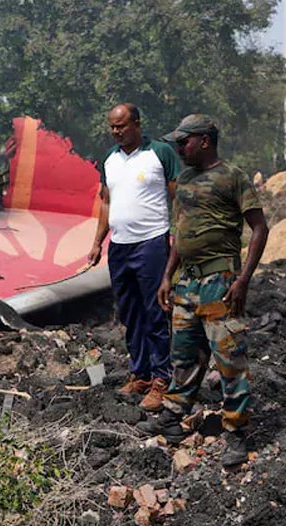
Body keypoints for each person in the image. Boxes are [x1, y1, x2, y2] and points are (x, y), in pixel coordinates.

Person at [137, 114, 269, 467]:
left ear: (205, 141)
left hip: (220, 282)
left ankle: (236, 431)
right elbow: (180, 233)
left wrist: (243, 280)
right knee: (184, 353)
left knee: (229, 358)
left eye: (184, 142)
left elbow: (259, 228)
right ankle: (172, 417)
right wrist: (167, 276)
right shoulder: (184, 179)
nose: (179, 149)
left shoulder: (232, 177)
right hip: (187, 282)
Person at [86, 103, 181, 411]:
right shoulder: (110, 159)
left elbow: (177, 197)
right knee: (129, 313)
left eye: (121, 126)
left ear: (137, 124)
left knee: (155, 311)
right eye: (112, 127)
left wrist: (181, 237)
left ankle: (161, 379)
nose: (116, 131)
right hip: (120, 245)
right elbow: (105, 202)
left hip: (151, 242)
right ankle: (140, 374)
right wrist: (97, 242)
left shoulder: (160, 153)